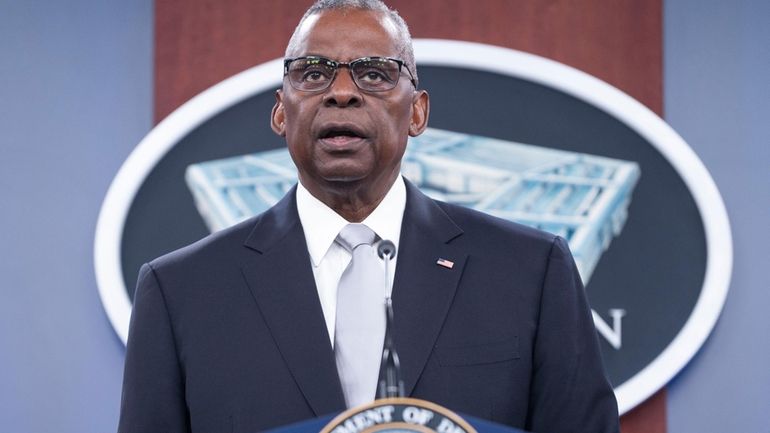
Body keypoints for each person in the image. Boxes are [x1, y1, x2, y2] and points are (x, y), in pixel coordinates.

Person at [118, 1, 620, 432]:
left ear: (418, 113)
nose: (341, 91)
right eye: (313, 73)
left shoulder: (530, 271)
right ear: (279, 112)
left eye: (375, 73)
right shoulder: (180, 290)